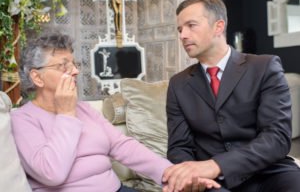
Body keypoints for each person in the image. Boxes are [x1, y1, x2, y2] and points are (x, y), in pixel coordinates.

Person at [10, 32, 219, 192]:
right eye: (63, 66)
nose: (75, 71)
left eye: (73, 64)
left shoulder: (82, 109)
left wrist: (170, 173)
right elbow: (51, 173)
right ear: (37, 78)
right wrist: (65, 115)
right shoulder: (21, 119)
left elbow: (122, 146)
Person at [162, 0, 300, 192]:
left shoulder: (265, 67)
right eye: (180, 29)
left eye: (191, 25)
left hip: (268, 172)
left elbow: (276, 137)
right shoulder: (178, 84)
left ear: (218, 27)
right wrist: (192, 176)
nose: (183, 35)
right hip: (212, 182)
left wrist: (216, 165)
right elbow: (179, 147)